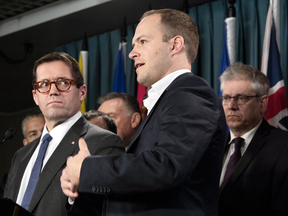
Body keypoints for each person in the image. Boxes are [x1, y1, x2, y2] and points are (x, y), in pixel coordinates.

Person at [61, 9, 226, 216]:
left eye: (143, 42)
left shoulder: (190, 91)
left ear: (175, 45)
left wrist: (88, 170)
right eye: (132, 45)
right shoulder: (165, 101)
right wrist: (80, 186)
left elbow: (167, 167)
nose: (132, 53)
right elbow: (136, 190)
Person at [3, 52, 124, 216]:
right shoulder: (21, 155)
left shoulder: (103, 142)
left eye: (63, 82)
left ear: (82, 92)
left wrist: (76, 196)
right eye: (44, 84)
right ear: (35, 97)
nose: (53, 91)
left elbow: (106, 209)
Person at [219, 62, 288, 216]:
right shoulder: (210, 145)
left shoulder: (283, 147)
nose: (231, 106)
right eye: (226, 98)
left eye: (241, 98)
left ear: (262, 103)